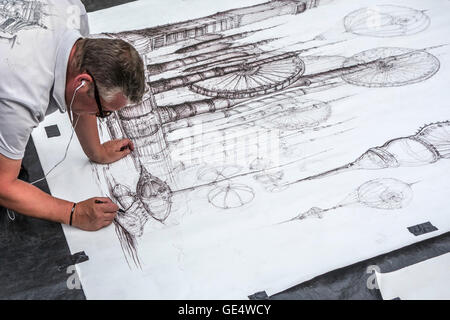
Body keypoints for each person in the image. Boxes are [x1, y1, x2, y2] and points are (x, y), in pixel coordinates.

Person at [0, 0, 146, 231]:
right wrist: (73, 212)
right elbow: (4, 186)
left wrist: (95, 150)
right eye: (103, 112)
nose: (101, 117)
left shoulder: (71, 11)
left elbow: (84, 94)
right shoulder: (23, 97)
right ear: (82, 83)